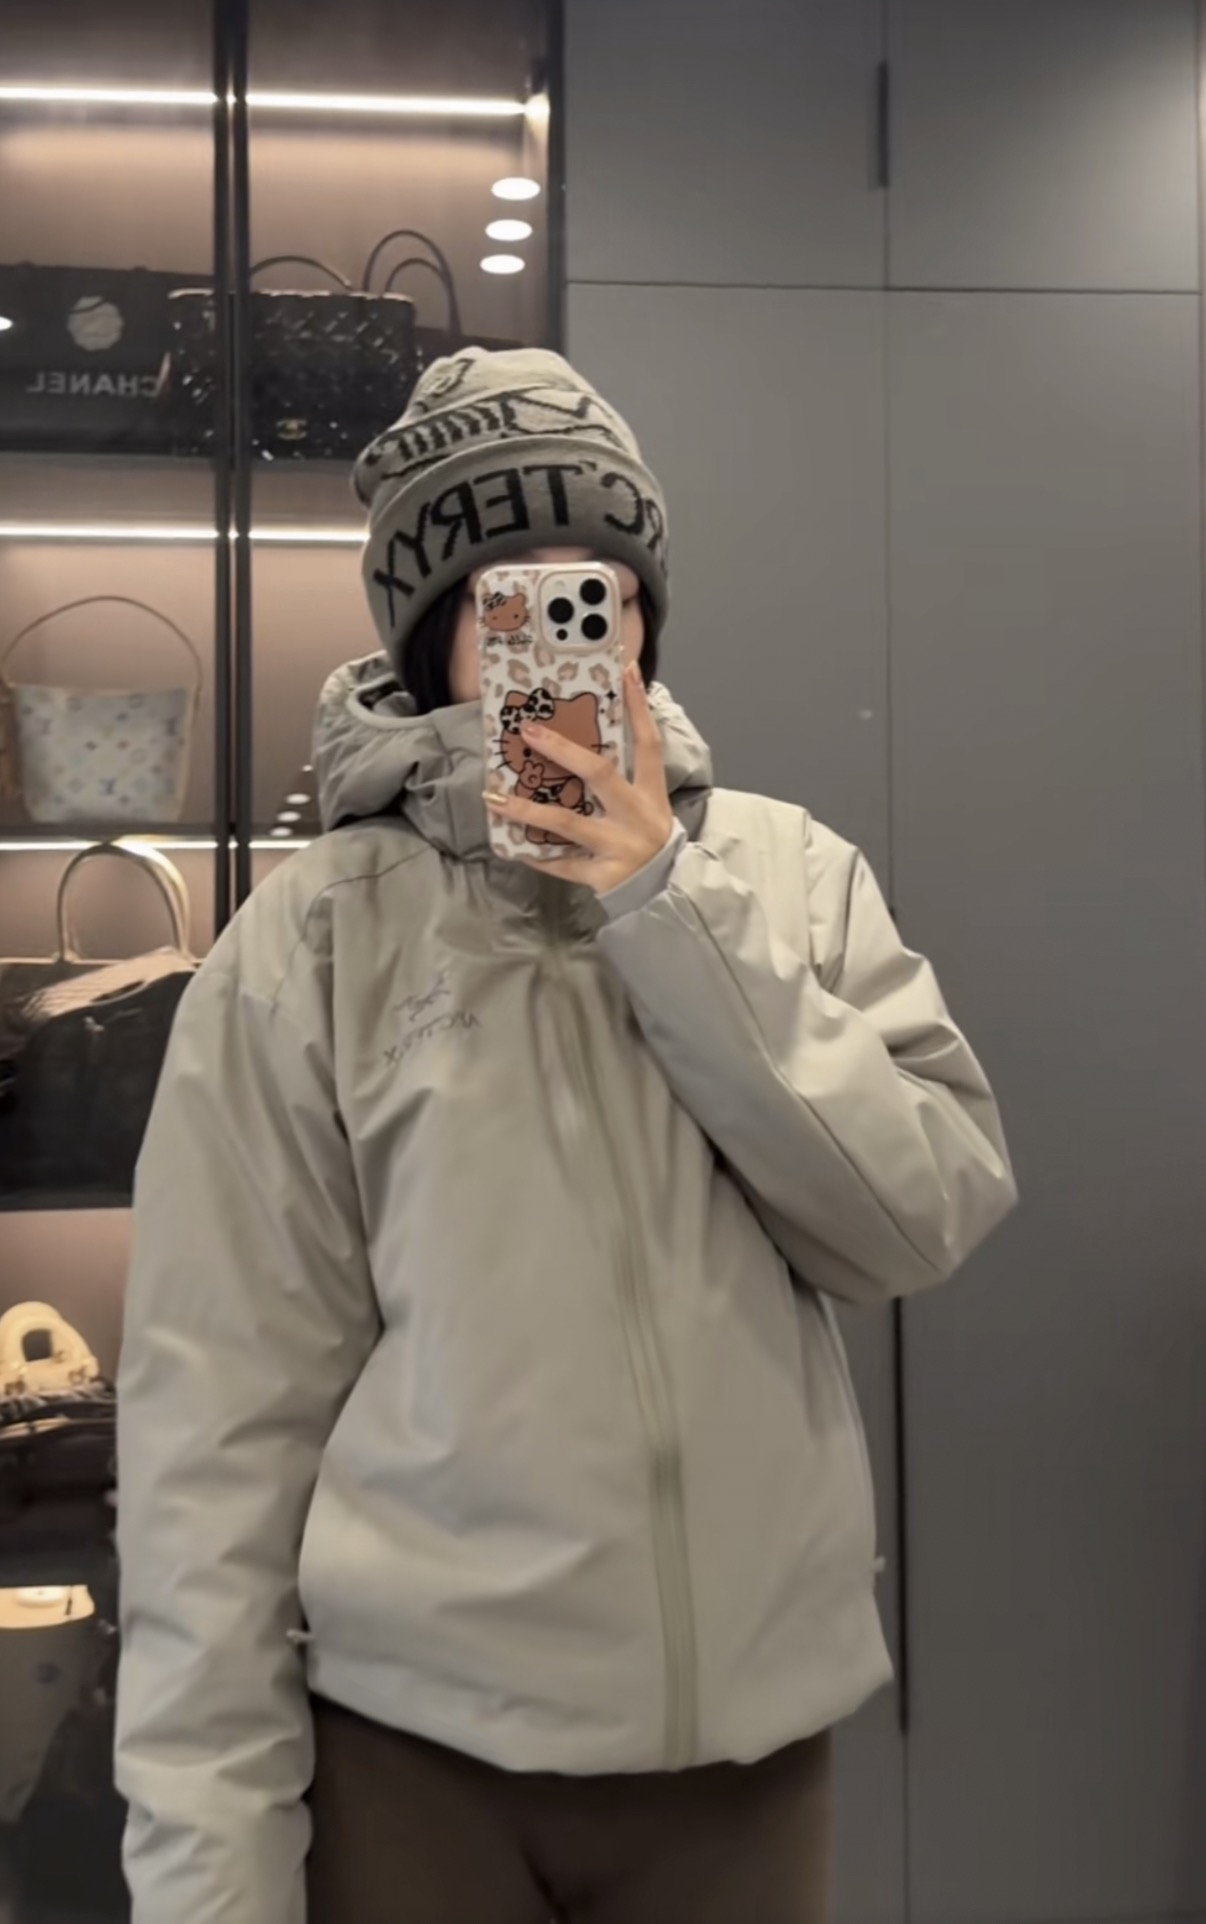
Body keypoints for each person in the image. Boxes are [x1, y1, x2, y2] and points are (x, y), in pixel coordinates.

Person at [115, 349, 1017, 1924]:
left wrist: (665, 906)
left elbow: (913, 1220)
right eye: (507, 600)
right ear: (428, 635)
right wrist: (214, 1880)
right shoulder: (310, 943)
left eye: (596, 594)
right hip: (414, 1771)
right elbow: (215, 1443)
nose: (560, 638)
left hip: (745, 1767)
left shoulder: (787, 880)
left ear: (646, 612)